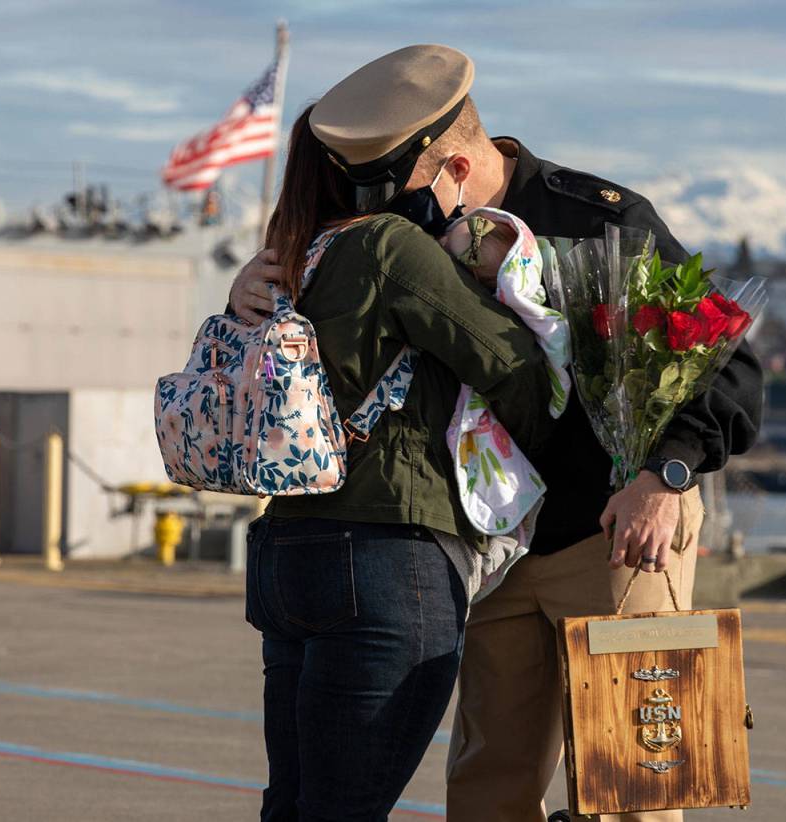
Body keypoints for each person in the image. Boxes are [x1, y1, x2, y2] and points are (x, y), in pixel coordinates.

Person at [231, 45, 764, 822]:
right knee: (486, 789)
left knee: (634, 793)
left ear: (451, 168)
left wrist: (667, 477)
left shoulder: (600, 222)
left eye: (394, 186)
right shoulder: (395, 237)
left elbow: (732, 372)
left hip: (617, 539)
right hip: (495, 552)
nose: (378, 204)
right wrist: (254, 287)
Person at [242, 66, 558, 821]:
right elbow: (516, 373)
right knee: (346, 808)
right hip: (387, 559)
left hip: (286, 555)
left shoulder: (284, 260)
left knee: (293, 804)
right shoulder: (388, 247)